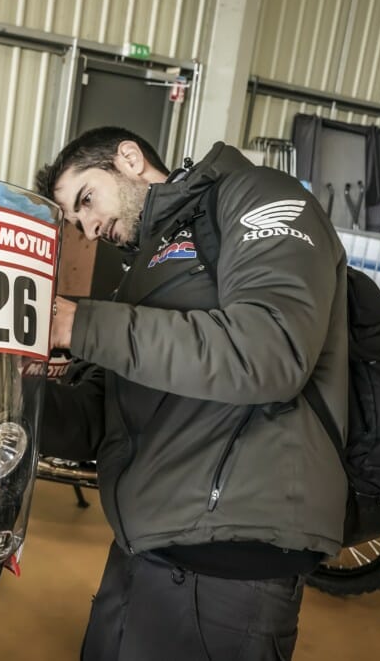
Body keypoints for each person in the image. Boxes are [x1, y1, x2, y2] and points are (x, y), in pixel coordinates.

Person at [35, 127, 348, 660]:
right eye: (75, 221)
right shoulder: (143, 273)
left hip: (230, 557)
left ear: (129, 159)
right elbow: (99, 418)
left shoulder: (256, 194)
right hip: (147, 548)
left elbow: (269, 351)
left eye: (86, 200)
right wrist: (1, 391)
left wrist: (78, 323)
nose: (87, 228)